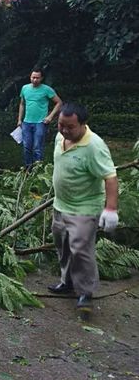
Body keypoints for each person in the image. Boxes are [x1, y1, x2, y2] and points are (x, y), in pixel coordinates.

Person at [47, 102, 118, 314]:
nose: (64, 130)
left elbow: (110, 177)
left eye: (70, 127)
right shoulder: (61, 137)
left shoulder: (94, 146)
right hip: (61, 204)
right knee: (63, 245)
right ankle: (67, 281)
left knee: (81, 250)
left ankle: (86, 293)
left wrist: (111, 209)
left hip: (84, 208)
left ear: (83, 124)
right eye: (61, 125)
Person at [17, 67, 62, 168]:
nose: (35, 80)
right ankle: (27, 169)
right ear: (30, 77)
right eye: (33, 77)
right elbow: (22, 104)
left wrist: (50, 117)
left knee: (37, 147)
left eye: (37, 78)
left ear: (41, 78)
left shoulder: (47, 89)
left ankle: (38, 169)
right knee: (26, 147)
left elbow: (59, 103)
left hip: (40, 122)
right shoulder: (25, 88)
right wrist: (19, 119)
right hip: (26, 122)